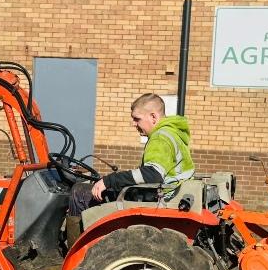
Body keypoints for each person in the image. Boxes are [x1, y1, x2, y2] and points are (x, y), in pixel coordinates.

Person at [64, 93, 195, 245]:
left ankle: (78, 249)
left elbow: (153, 174)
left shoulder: (160, 137)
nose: (133, 123)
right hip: (170, 195)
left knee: (79, 191)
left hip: (159, 199)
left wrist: (109, 180)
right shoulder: (174, 133)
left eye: (137, 118)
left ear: (153, 117)